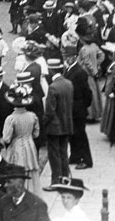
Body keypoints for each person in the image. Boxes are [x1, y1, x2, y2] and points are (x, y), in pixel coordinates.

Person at [1, 86, 41, 196]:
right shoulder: (33, 116)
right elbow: (36, 134)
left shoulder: (11, 119)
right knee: (30, 171)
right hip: (30, 146)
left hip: (16, 147)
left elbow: (6, 138)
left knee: (17, 172)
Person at [42, 59, 73, 189]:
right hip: (66, 124)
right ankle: (65, 178)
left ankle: (56, 181)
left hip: (54, 127)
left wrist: (42, 123)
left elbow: (49, 111)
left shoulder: (53, 87)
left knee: (54, 155)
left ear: (51, 70)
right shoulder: (68, 83)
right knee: (63, 153)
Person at [62, 47, 93, 170]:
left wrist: (83, 106)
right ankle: (75, 155)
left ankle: (86, 160)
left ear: (74, 57)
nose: (66, 59)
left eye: (68, 57)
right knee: (72, 134)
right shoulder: (69, 69)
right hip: (72, 108)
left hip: (78, 109)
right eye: (65, 57)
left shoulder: (79, 72)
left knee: (80, 135)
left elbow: (87, 93)